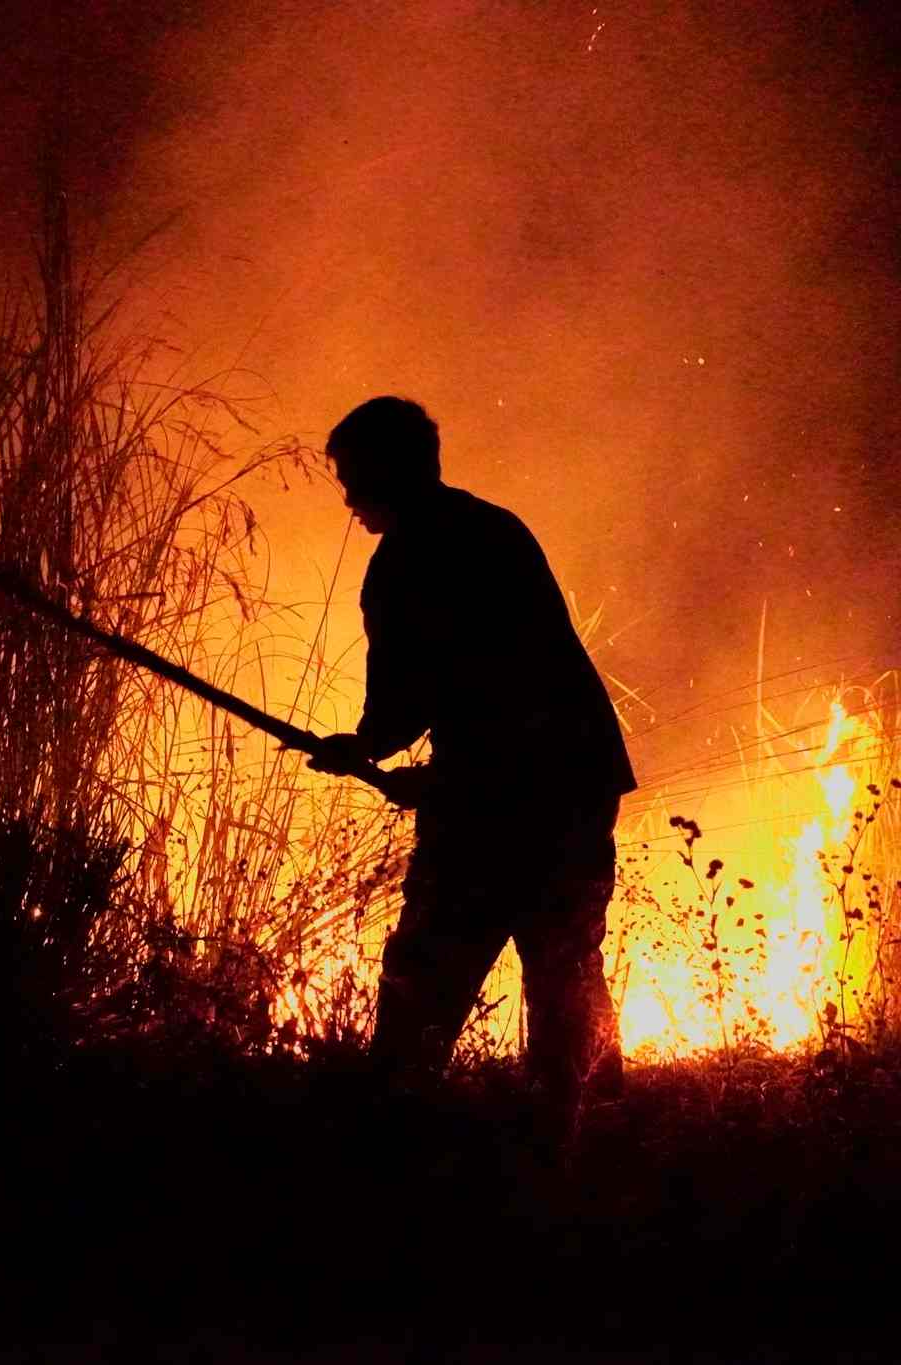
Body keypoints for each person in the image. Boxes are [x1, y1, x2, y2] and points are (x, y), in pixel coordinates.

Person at [306, 396, 635, 1147]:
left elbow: (413, 699)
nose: (350, 497)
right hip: (578, 775)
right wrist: (407, 762)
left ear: (392, 468)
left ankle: (390, 1126)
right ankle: (594, 1127)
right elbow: (492, 683)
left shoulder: (404, 563)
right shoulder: (495, 527)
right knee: (564, 959)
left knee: (432, 962)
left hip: (505, 794)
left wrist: (367, 749)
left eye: (356, 477)